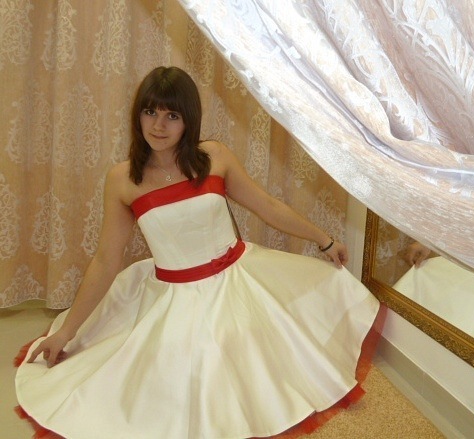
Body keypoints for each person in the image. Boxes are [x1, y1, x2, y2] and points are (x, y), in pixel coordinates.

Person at [15, 66, 382, 439]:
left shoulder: (214, 157)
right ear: (137, 116)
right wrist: (68, 333)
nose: (159, 125)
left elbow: (268, 207)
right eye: (150, 112)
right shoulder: (123, 180)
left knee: (263, 364)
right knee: (169, 384)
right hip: (174, 296)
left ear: (189, 120)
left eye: (172, 115)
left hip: (239, 280)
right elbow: (106, 261)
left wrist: (324, 240)